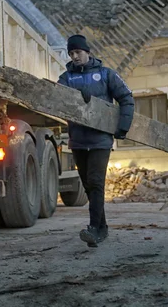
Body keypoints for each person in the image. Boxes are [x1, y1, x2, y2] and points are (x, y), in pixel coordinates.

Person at [58, 34, 135, 247]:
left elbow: (127, 98)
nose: (75, 57)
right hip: (78, 140)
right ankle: (102, 228)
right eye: (71, 53)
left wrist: (122, 127)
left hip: (100, 140)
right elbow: (58, 101)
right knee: (87, 184)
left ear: (87, 52)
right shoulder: (66, 78)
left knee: (95, 182)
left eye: (78, 52)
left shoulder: (105, 74)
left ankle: (93, 228)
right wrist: (74, 99)